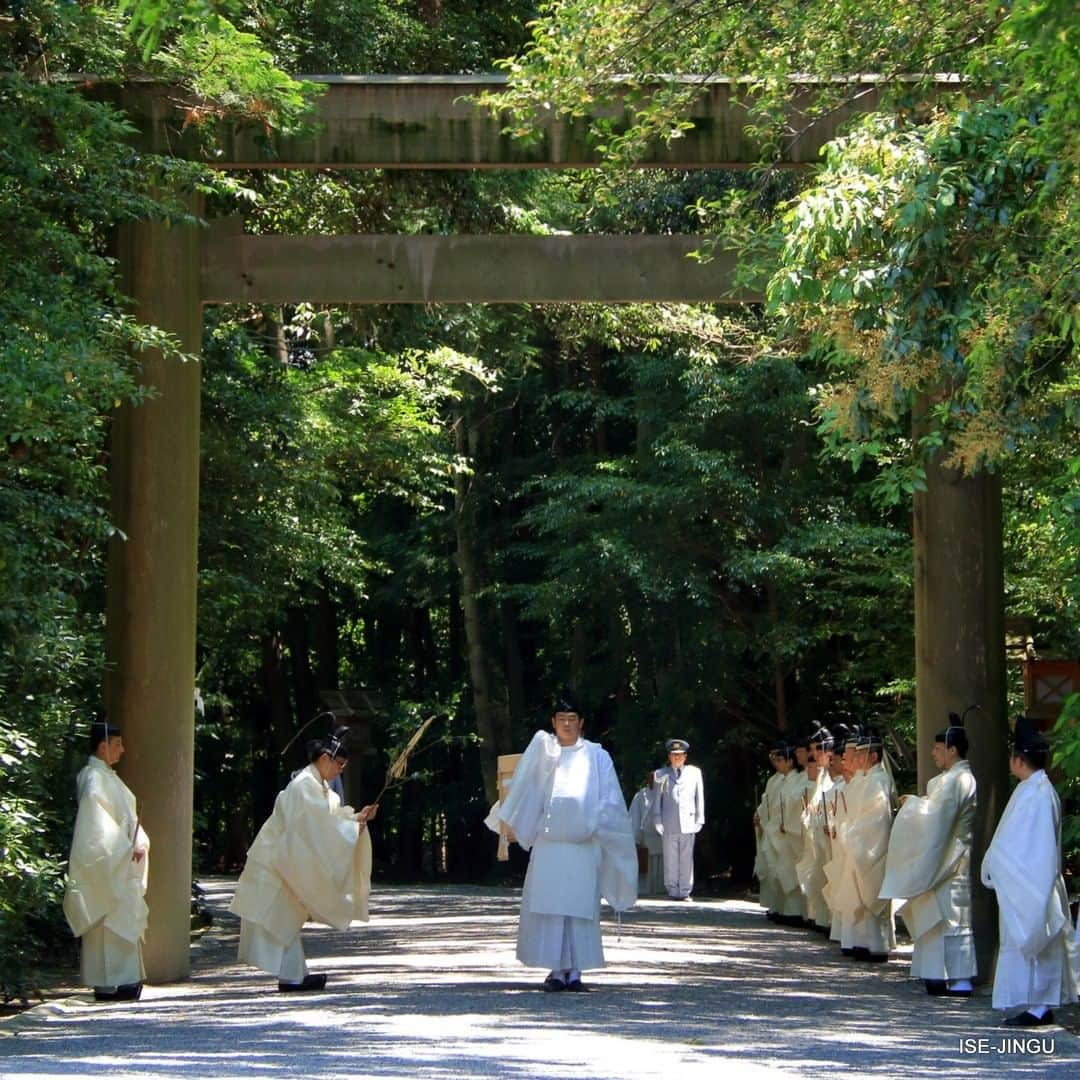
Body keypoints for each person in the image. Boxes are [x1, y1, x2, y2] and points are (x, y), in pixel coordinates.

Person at [485, 691, 637, 991]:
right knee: (550, 907)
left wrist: (596, 824)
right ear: (553, 723)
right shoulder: (543, 753)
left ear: (581, 723)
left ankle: (576, 970)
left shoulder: (597, 756)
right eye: (561, 719)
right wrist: (510, 821)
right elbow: (522, 790)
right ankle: (555, 970)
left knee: (580, 908)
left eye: (572, 719)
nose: (567, 725)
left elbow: (611, 800)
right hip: (550, 843)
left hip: (583, 844)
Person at [230, 731, 377, 992]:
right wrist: (354, 827)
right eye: (339, 765)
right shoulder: (304, 786)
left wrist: (357, 821)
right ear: (324, 758)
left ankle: (294, 976)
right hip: (277, 861)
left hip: (283, 859)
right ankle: (292, 978)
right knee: (281, 917)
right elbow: (317, 829)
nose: (340, 771)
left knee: (286, 918)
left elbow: (326, 822)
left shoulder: (314, 785)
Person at [980, 715, 1080, 1026]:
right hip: (1026, 883)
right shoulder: (1033, 789)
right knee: (1029, 943)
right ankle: (1035, 1003)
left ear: (1018, 759)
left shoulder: (1037, 794)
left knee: (1038, 941)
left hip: (1034, 883)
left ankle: (1040, 1005)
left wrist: (1002, 862)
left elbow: (1034, 849)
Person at [880, 713, 977, 996]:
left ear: (952, 749)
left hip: (950, 858)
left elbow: (935, 819)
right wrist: (919, 803)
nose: (933, 754)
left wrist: (913, 806)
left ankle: (958, 977)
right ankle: (939, 974)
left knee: (951, 918)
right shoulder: (952, 780)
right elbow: (935, 812)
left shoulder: (958, 780)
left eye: (937, 749)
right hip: (947, 856)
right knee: (941, 916)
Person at [63, 719, 150, 1002]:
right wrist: (124, 847)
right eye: (117, 744)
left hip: (122, 861)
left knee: (122, 917)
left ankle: (125, 980)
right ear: (102, 747)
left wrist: (136, 842)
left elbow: (127, 818)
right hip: (109, 862)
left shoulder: (107, 777)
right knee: (107, 919)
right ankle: (108, 983)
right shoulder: (93, 777)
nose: (122, 750)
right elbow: (95, 824)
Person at [842, 728, 896, 962]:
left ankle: (876, 945)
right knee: (856, 895)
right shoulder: (863, 780)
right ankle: (861, 942)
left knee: (871, 894)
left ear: (874, 757)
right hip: (855, 842)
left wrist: (852, 835)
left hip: (869, 846)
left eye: (862, 755)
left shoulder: (878, 780)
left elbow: (876, 819)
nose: (857, 759)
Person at [651, 738, 705, 900]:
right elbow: (657, 800)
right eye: (674, 755)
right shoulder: (660, 774)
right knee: (670, 858)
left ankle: (685, 890)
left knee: (687, 858)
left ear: (685, 756)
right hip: (669, 822)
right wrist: (657, 820)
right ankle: (672, 890)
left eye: (680, 755)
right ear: (669, 756)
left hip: (689, 821)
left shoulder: (695, 772)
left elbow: (699, 797)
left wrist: (700, 818)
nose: (677, 758)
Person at [628, 773, 664, 895]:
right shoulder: (641, 795)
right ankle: (646, 890)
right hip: (646, 836)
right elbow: (635, 816)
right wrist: (635, 838)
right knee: (646, 863)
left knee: (663, 863)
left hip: (663, 835)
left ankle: (662, 889)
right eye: (650, 777)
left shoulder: (666, 794)